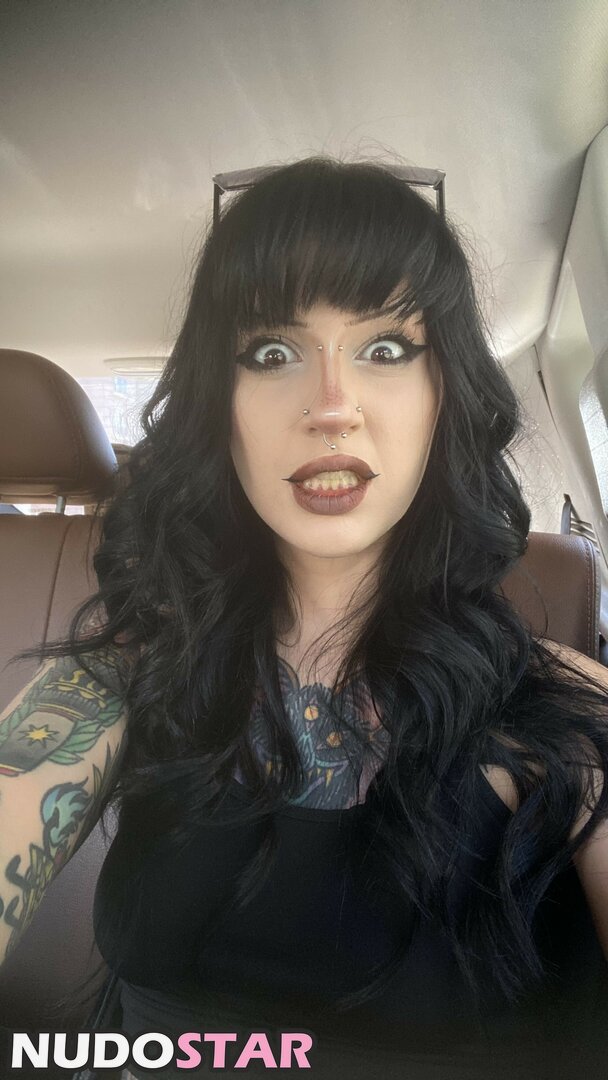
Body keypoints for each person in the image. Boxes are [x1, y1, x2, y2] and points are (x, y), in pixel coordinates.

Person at [1, 156, 608, 1080]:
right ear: (221, 407)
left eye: (387, 348)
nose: (331, 407)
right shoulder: (116, 682)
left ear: (446, 398)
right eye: (272, 352)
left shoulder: (573, 718)